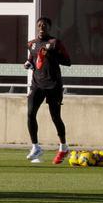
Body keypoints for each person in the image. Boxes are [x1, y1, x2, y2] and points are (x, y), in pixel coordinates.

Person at [23, 17, 72, 164]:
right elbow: (32, 59)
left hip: (53, 85)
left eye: (44, 25)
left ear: (49, 27)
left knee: (55, 117)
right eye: (40, 25)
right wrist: (27, 63)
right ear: (37, 27)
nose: (42, 27)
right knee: (30, 114)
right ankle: (35, 146)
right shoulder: (31, 44)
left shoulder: (55, 43)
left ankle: (63, 147)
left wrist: (51, 54)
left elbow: (68, 62)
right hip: (37, 84)